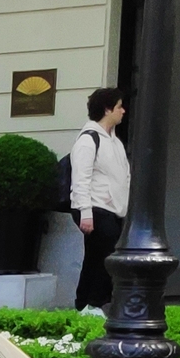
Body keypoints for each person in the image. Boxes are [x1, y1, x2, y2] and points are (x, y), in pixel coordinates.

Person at [70, 86, 131, 310]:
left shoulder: (114, 141)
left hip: (112, 210)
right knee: (107, 259)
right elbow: (81, 179)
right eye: (118, 106)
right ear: (107, 109)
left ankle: (84, 304)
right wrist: (86, 214)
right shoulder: (88, 140)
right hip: (95, 209)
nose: (123, 111)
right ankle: (95, 303)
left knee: (95, 258)